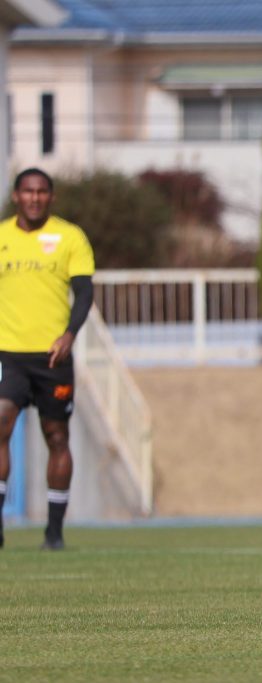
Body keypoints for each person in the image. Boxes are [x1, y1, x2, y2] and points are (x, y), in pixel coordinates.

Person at [0, 168, 95, 550]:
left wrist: (70, 334)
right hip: (8, 353)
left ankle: (54, 533)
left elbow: (84, 292)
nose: (34, 198)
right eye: (28, 191)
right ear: (16, 196)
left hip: (53, 357)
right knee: (1, 423)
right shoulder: (2, 236)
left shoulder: (70, 237)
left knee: (56, 436)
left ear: (51, 197)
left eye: (42, 192)